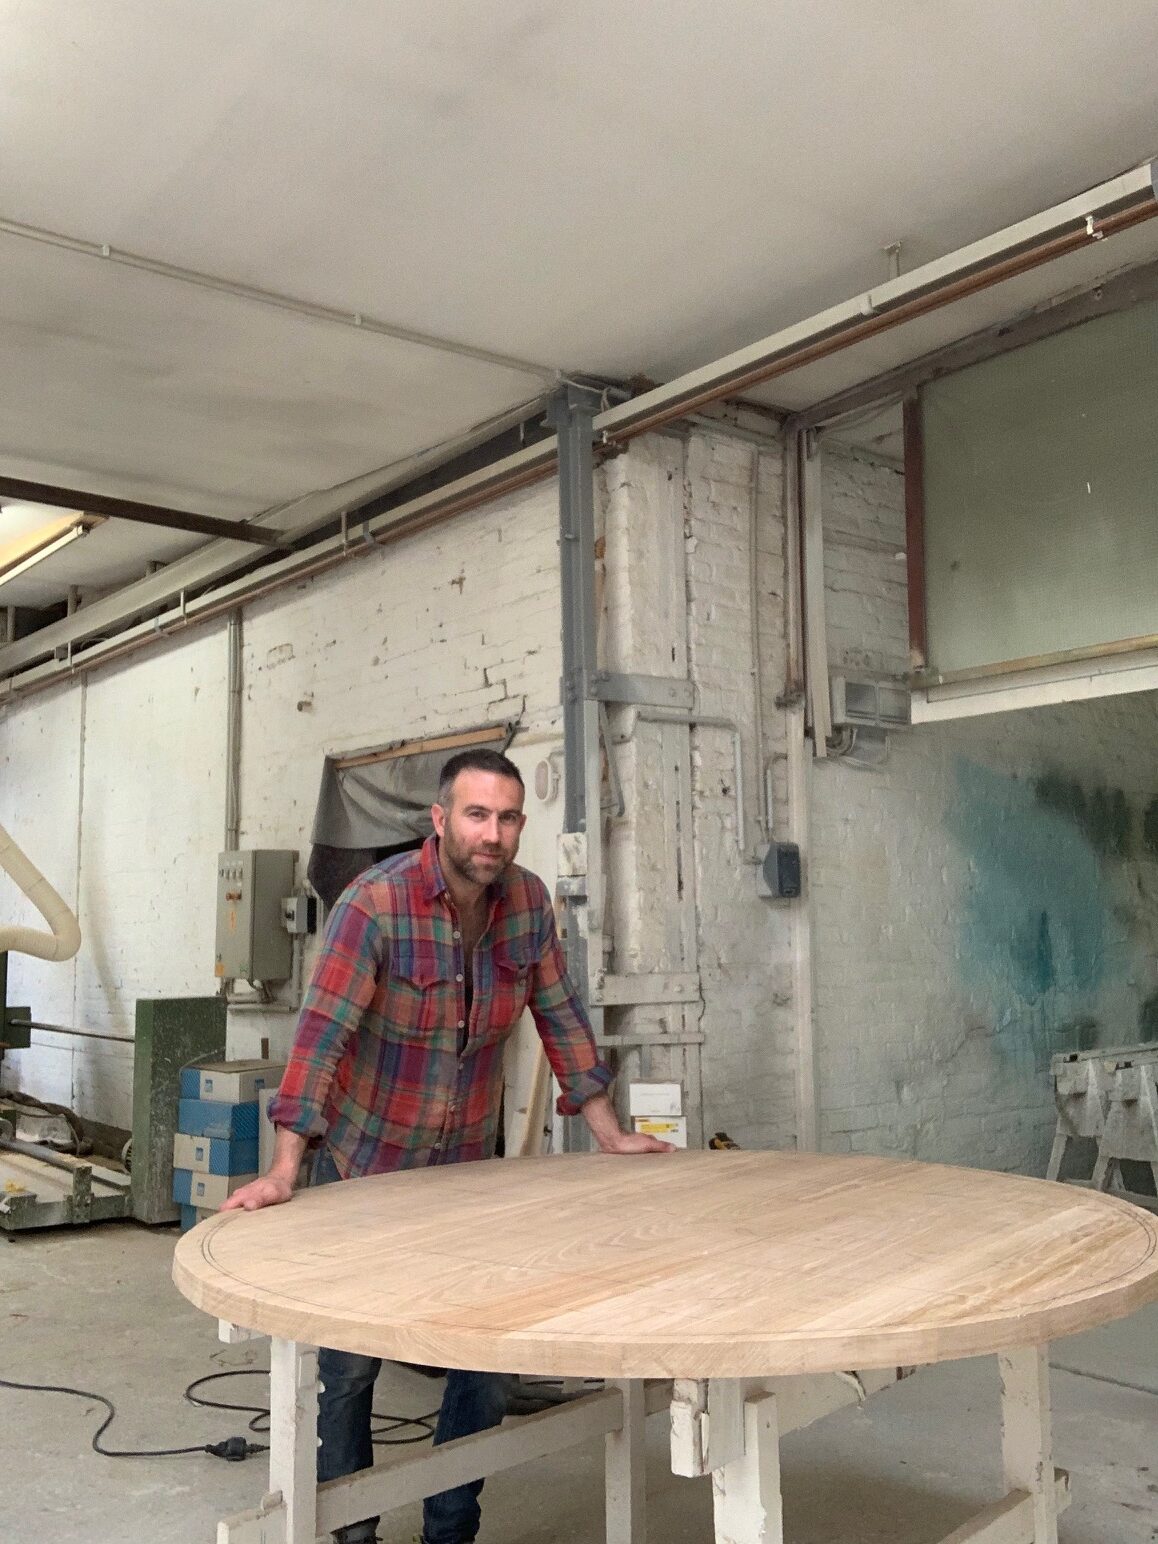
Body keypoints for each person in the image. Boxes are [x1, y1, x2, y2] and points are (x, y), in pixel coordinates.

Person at [223, 747, 672, 1544]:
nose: (492, 834)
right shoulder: (375, 905)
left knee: (483, 1358)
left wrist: (608, 1130)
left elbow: (561, 1014)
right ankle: (352, 1531)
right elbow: (321, 1036)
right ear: (439, 820)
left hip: (465, 1172)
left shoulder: (527, 904)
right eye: (476, 814)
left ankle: (451, 1525)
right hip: (366, 1165)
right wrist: (286, 1168)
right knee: (350, 1368)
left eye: (507, 818)